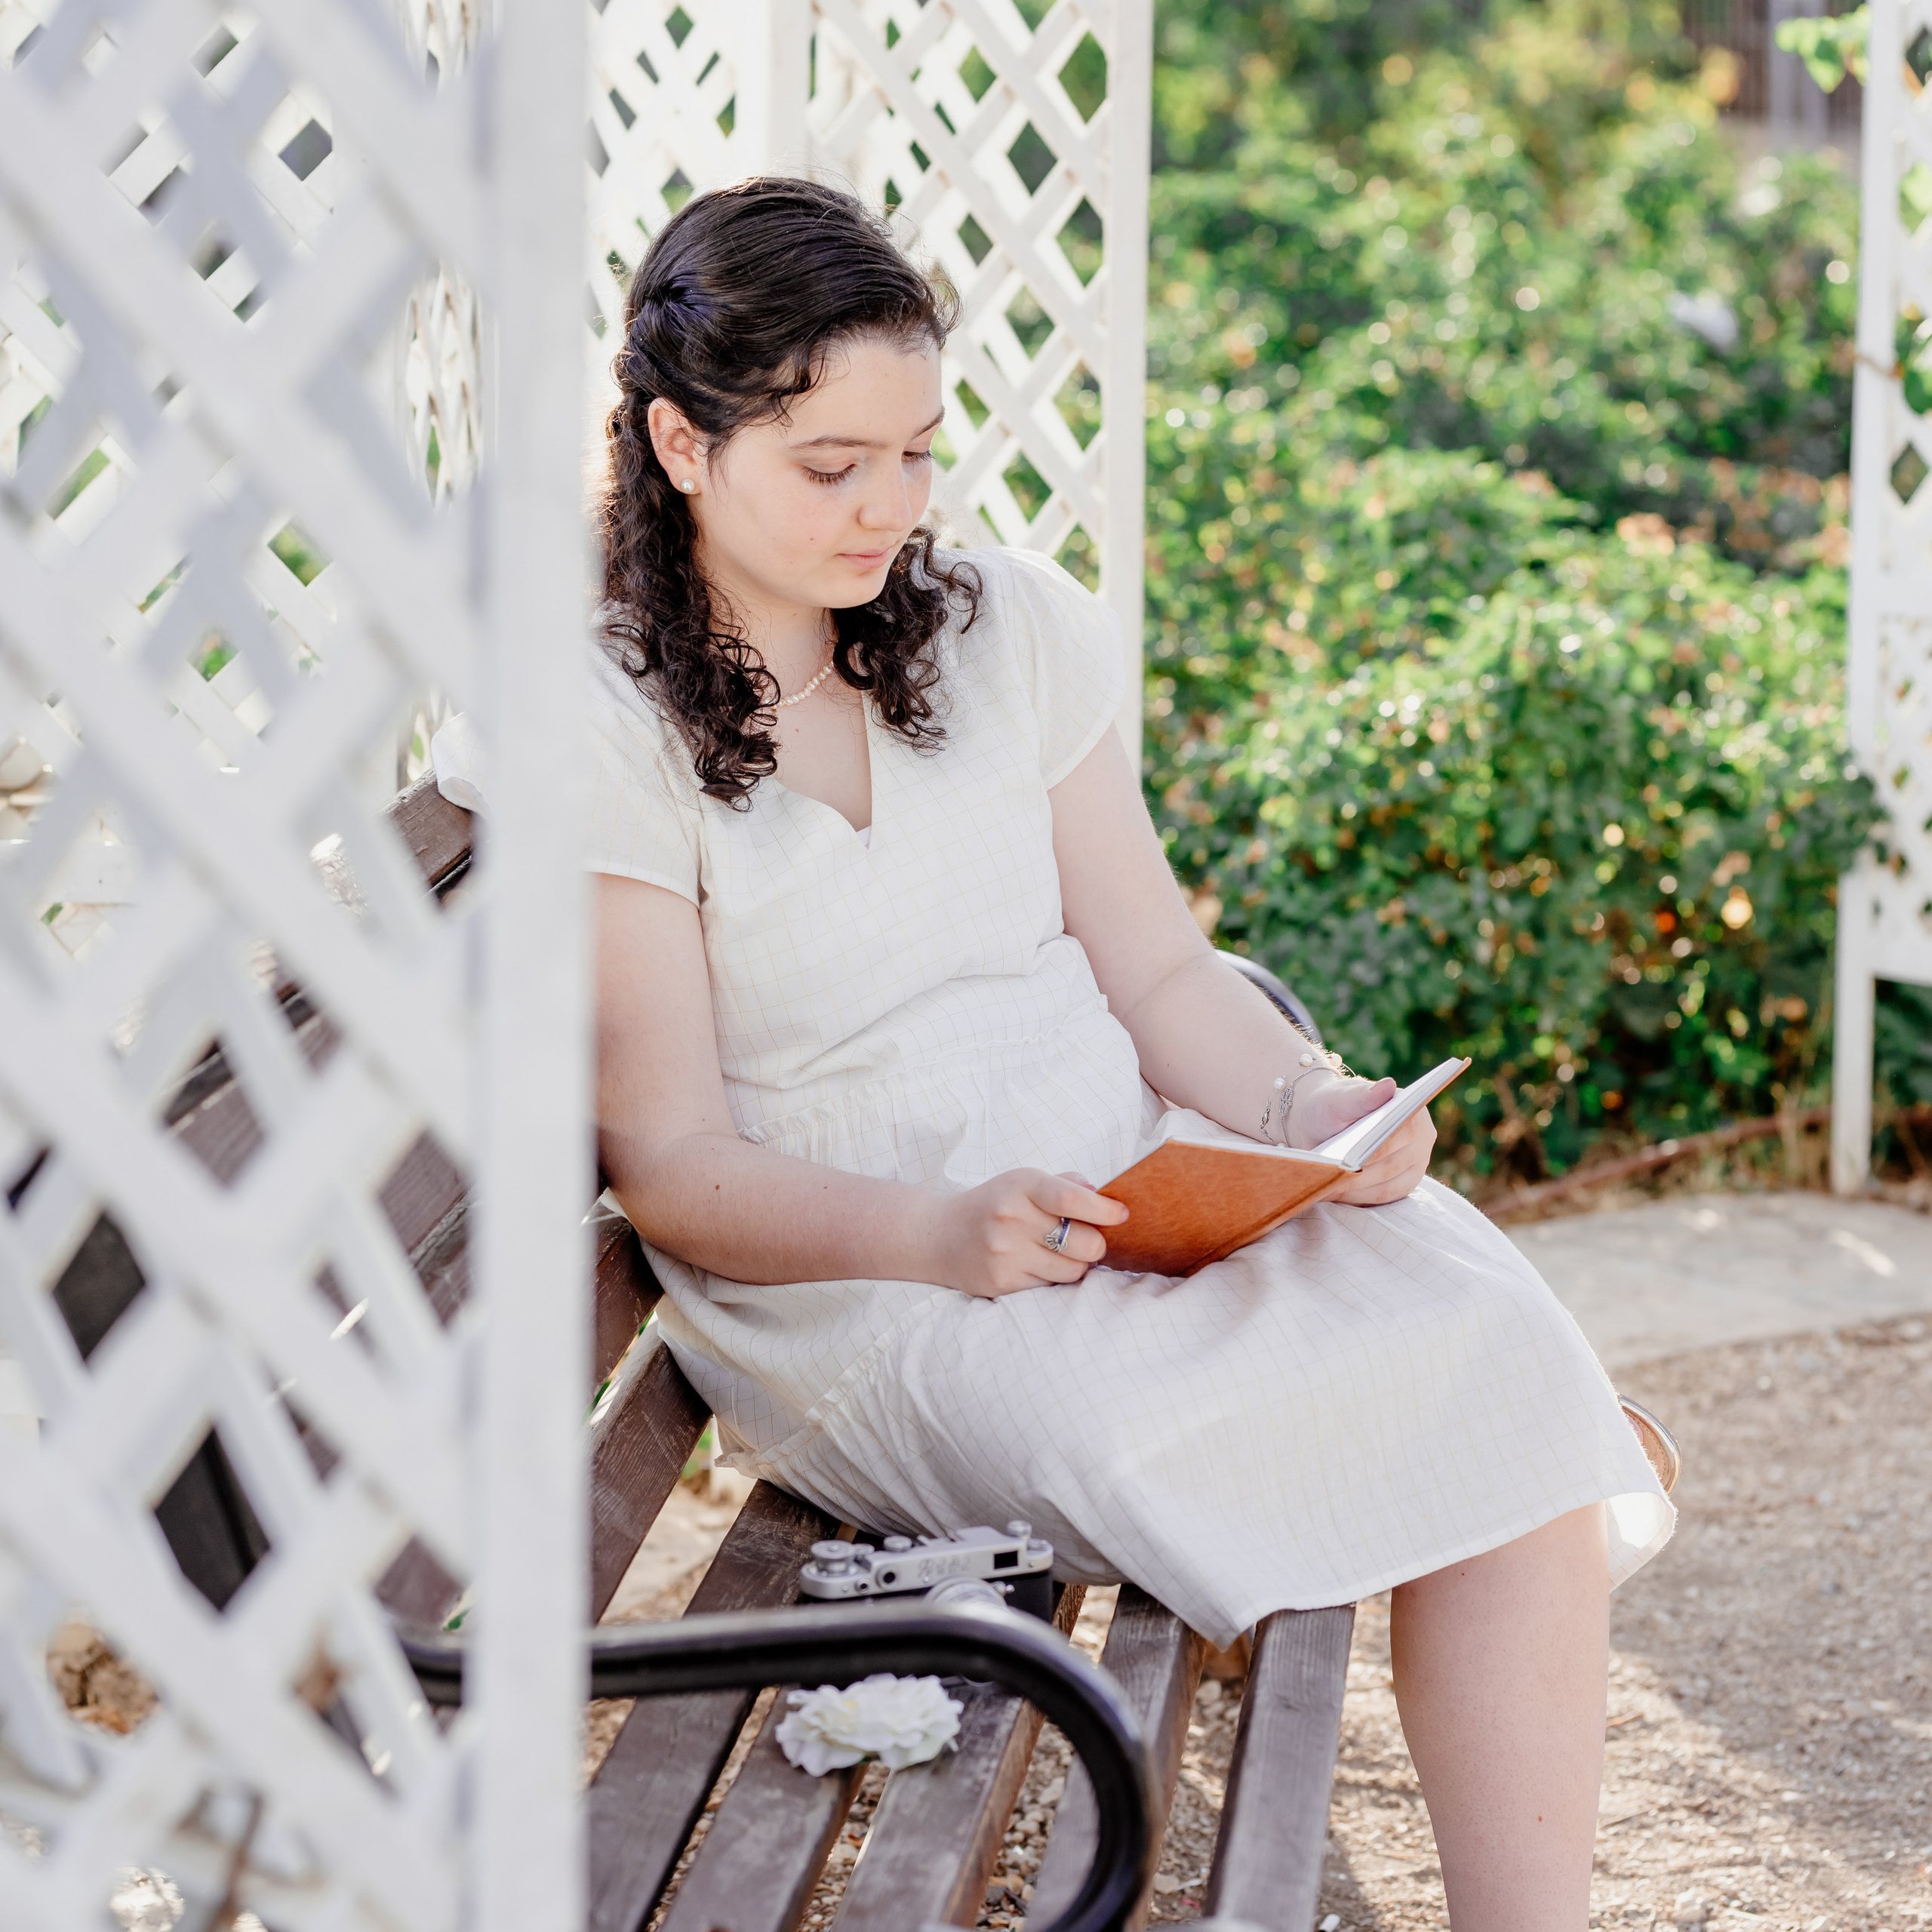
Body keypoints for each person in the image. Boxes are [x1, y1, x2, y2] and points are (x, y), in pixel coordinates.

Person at [435, 177, 1672, 1929]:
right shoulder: (602, 722)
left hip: (1108, 1174)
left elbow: (1162, 969)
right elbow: (676, 1168)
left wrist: (1299, 1107)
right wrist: (937, 1230)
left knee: (1480, 1325)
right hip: (867, 1282)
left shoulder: (1000, 629)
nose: (888, 505)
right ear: (679, 444)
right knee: (1197, 1408)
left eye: (916, 453)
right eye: (830, 463)